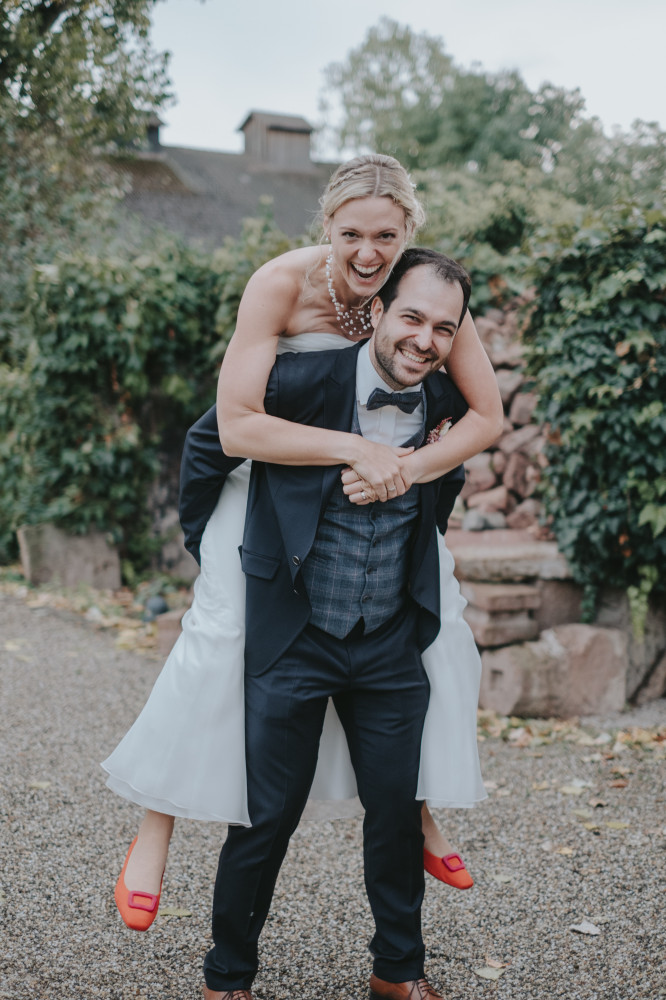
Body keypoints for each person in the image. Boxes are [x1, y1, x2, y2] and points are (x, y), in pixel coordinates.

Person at [103, 155, 504, 931]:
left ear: (408, 234)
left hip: (372, 495)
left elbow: (487, 416)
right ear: (327, 226)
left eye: (386, 235)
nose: (367, 252)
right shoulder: (281, 284)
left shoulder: (417, 294)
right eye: (351, 232)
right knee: (223, 635)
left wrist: (405, 471)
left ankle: (416, 812)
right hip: (265, 483)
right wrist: (356, 450)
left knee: (438, 627)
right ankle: (155, 824)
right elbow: (236, 424)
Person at [199, 247, 473, 999]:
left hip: (389, 642)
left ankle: (399, 972)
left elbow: (440, 502)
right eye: (412, 317)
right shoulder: (293, 380)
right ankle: (227, 977)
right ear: (378, 310)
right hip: (296, 634)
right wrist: (218, 559)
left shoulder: (450, 405)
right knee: (265, 819)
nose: (424, 339)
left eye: (442, 329)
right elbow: (208, 444)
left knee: (395, 815)